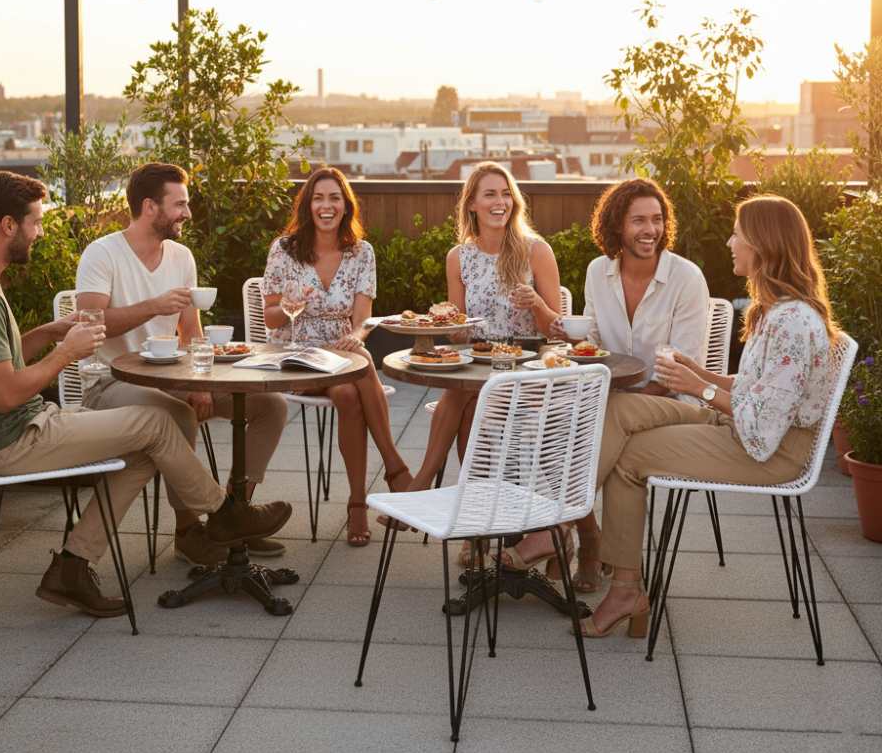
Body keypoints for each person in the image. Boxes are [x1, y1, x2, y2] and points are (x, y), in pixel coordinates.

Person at [0, 170, 291, 618]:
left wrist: (47, 332)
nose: (39, 232)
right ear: (7, 226)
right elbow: (4, 394)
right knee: (157, 423)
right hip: (13, 438)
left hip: (14, 427)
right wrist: (66, 353)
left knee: (144, 446)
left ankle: (74, 566)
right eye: (35, 222)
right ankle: (225, 514)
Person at [578, 194, 838, 637]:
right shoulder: (776, 311)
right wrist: (698, 373)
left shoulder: (793, 322)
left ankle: (584, 546)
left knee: (627, 456)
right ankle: (590, 546)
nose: (731, 242)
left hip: (769, 453)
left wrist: (697, 387)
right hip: (740, 429)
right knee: (619, 411)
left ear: (763, 244)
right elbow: (759, 388)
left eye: (738, 234)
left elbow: (761, 430)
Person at [76, 162, 289, 567]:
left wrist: (202, 382)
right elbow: (90, 324)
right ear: (149, 207)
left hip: (172, 380)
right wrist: (151, 307)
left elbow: (191, 331)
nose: (188, 214)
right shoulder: (102, 254)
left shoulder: (181, 257)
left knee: (270, 406)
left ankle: (238, 514)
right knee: (178, 414)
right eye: (180, 205)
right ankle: (189, 530)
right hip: (110, 384)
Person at [508, 178, 709, 588]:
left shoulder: (687, 279)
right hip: (609, 396)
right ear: (617, 225)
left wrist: (617, 398)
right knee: (545, 417)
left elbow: (683, 368)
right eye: (638, 221)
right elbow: (594, 345)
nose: (649, 230)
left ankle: (557, 527)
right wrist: (571, 343)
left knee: (601, 422)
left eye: (656, 220)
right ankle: (586, 533)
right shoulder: (599, 272)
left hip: (674, 400)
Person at [403, 162, 563, 564]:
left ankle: (433, 492)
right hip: (478, 360)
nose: (500, 202)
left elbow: (558, 331)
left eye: (506, 193)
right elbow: (460, 328)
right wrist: (445, 325)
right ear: (472, 204)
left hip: (524, 362)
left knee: (464, 400)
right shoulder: (459, 257)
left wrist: (538, 303)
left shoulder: (535, 250)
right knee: (467, 399)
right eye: (490, 194)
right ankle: (479, 524)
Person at [261, 166, 413, 546]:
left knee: (348, 391)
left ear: (346, 206)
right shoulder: (284, 250)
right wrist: (289, 306)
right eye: (318, 198)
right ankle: (395, 468)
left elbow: (362, 321)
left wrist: (356, 338)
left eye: (334, 199)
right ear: (307, 205)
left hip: (341, 355)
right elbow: (269, 317)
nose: (326, 206)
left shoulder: (362, 253)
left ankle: (357, 501)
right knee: (359, 371)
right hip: (295, 354)